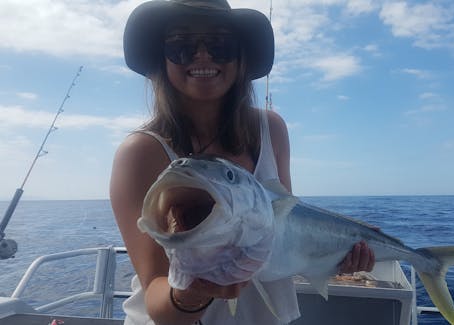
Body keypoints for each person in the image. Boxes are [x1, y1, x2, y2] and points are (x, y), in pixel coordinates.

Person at [110, 0, 376, 324]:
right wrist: (190, 293)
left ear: (241, 57)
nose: (203, 55)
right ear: (161, 59)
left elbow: (283, 223)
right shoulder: (140, 152)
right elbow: (154, 290)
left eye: (221, 45)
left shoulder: (271, 129)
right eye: (182, 46)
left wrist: (336, 255)